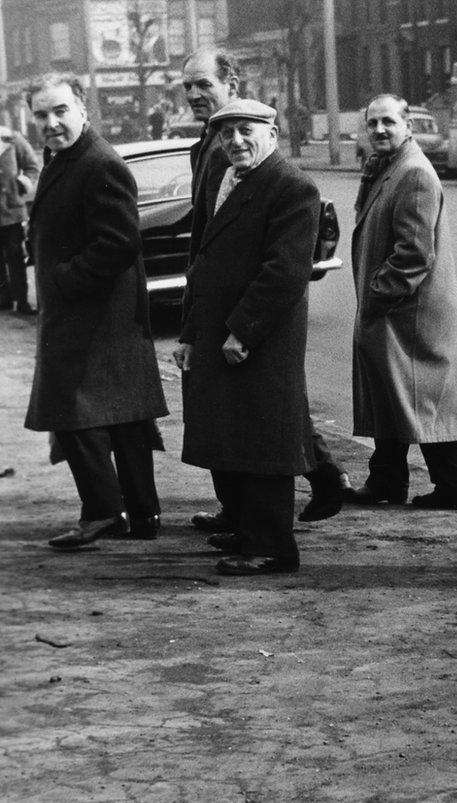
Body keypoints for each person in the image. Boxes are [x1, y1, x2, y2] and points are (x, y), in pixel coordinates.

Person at [180, 47, 346, 529]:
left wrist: (237, 323)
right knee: (238, 412)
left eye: (203, 84)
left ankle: (297, 494)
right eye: (187, 86)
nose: (193, 94)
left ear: (231, 84)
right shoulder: (212, 144)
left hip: (246, 312)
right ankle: (246, 512)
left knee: (261, 413)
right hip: (218, 304)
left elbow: (277, 260)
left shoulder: (238, 151)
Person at [173, 99, 321, 576]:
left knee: (263, 440)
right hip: (223, 331)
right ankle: (246, 529)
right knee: (235, 434)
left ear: (272, 135)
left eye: (246, 130)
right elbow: (208, 263)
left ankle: (274, 547)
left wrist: (243, 331)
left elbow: (285, 272)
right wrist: (191, 333)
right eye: (227, 132)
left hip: (262, 337)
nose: (235, 140)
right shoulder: (233, 180)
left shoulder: (293, 186)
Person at [24, 74, 168, 549]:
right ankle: (142, 514)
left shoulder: (96, 162)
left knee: (74, 413)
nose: (51, 122)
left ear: (83, 110)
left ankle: (105, 513)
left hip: (93, 316)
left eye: (60, 110)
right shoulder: (69, 159)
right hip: (100, 318)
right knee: (126, 418)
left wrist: (66, 279)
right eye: (41, 114)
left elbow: (119, 242)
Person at [347, 93, 457, 510]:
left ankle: (455, 487)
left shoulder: (414, 174)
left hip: (411, 313)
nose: (379, 130)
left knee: (426, 402)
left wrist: (375, 298)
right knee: (396, 395)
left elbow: (414, 254)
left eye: (388, 121)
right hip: (401, 312)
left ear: (407, 125)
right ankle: (386, 480)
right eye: (372, 124)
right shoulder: (389, 168)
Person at [0, 123, 39, 314]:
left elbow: (32, 167)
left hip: (12, 211)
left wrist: (21, 185)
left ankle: (22, 301)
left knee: (16, 257)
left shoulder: (12, 139)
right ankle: (3, 298)